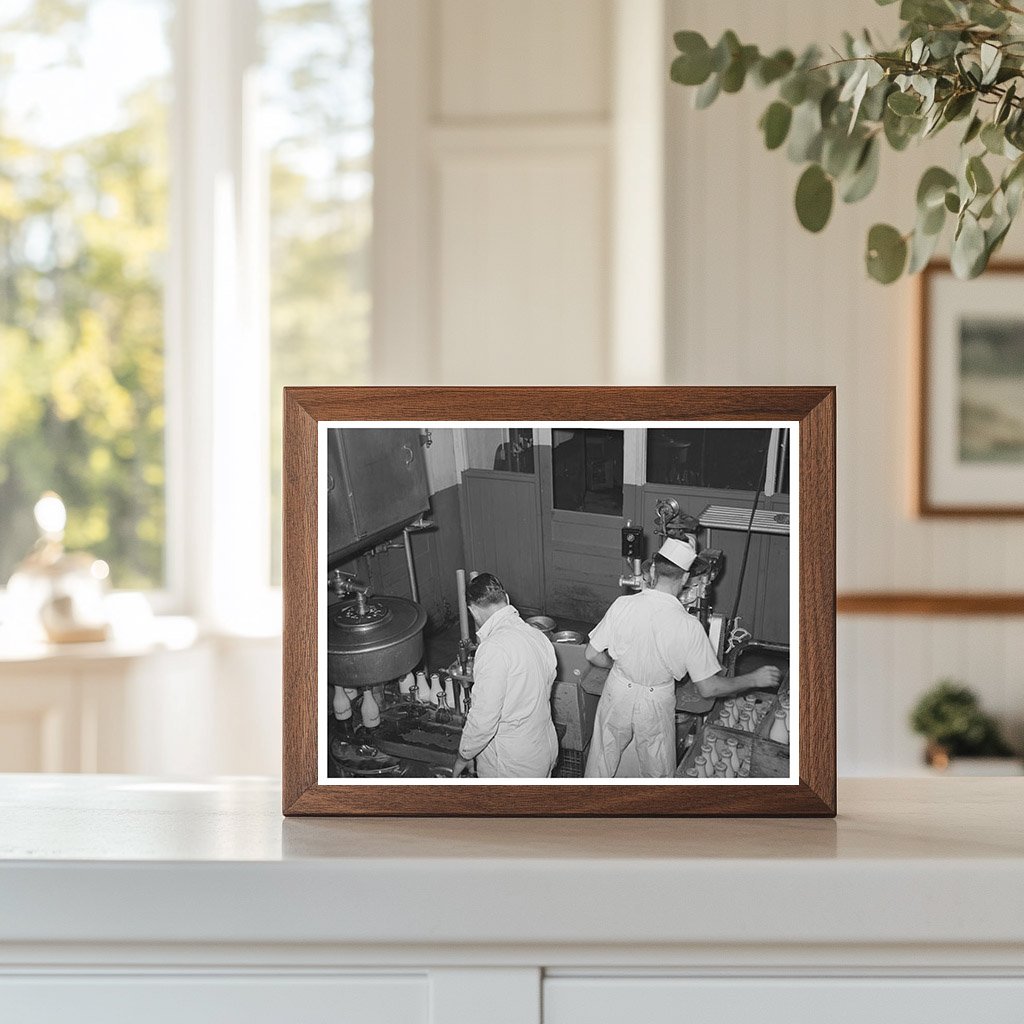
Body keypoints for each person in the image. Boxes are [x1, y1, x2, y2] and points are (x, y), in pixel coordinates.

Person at [584, 537, 781, 779]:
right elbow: (709, 688)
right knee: (656, 773)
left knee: (601, 762)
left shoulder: (622, 604)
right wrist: (753, 679)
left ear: (654, 570)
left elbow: (592, 653)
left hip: (617, 691)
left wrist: (615, 665)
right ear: (686, 579)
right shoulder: (689, 627)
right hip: (654, 702)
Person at [452, 573, 559, 779]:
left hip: (513, 763)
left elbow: (484, 719)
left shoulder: (493, 648)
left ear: (472, 611)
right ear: (507, 599)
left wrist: (463, 756)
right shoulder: (537, 635)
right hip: (543, 748)